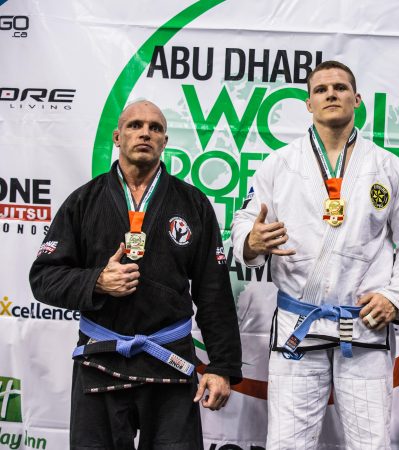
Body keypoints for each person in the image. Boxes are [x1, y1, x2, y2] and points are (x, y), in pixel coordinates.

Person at [231, 60, 399, 449]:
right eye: (321, 90)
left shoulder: (387, 166)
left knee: (371, 444)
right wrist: (251, 241)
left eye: (340, 88)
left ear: (357, 99)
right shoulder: (279, 164)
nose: (331, 94)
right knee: (288, 444)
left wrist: (395, 296)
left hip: (364, 324)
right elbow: (244, 222)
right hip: (299, 325)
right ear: (309, 103)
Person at [29, 100, 242, 450]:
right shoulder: (83, 201)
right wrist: (97, 281)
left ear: (165, 141)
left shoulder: (192, 203)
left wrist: (221, 365)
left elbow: (213, 291)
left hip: (170, 357)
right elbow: (44, 278)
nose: (145, 133)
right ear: (117, 137)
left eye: (155, 128)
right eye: (135, 126)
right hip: (101, 357)